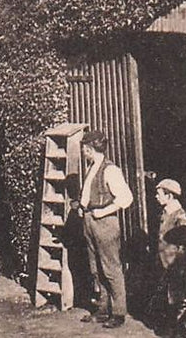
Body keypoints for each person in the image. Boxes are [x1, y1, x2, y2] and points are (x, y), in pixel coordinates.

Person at [76, 130, 134, 329]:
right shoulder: (92, 167)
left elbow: (126, 198)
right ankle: (102, 309)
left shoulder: (111, 170)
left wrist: (103, 212)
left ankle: (118, 313)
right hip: (90, 220)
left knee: (111, 268)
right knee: (96, 268)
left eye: (84, 148)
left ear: (90, 149)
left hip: (105, 223)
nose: (83, 151)